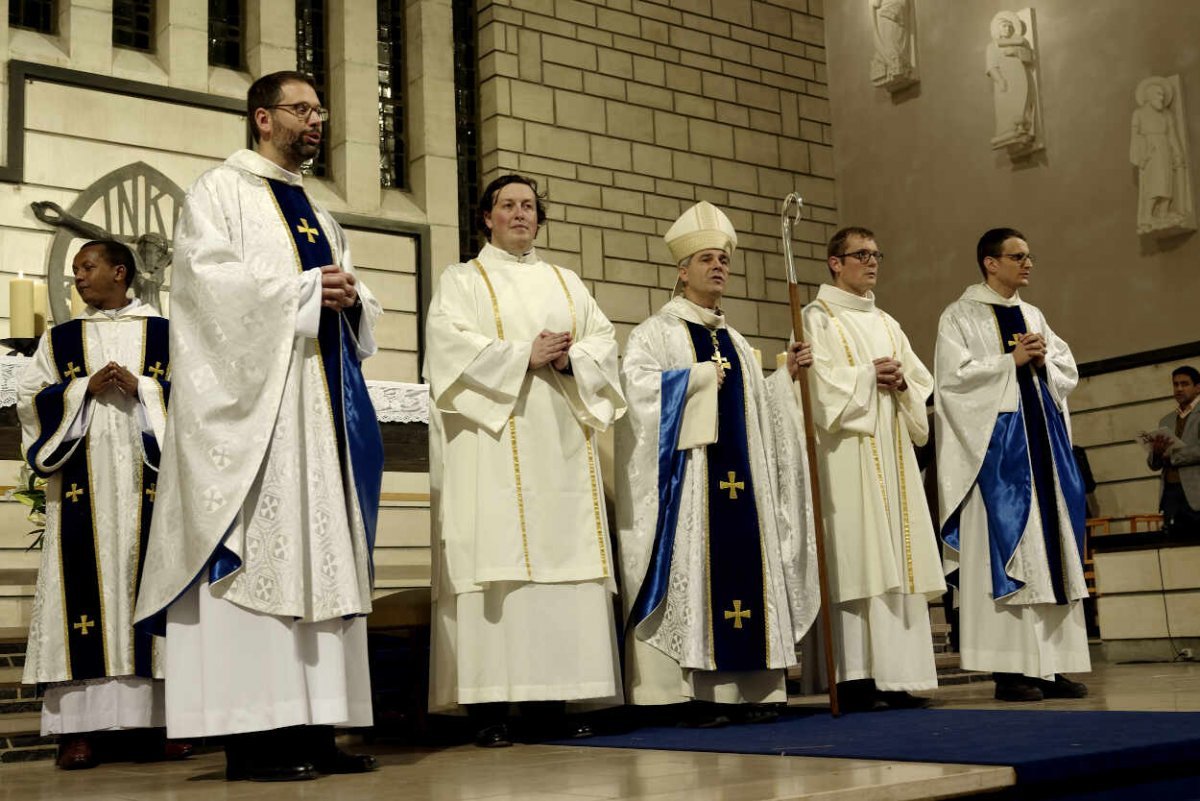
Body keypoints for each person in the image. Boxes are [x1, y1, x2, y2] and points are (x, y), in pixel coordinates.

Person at [132, 71, 384, 780]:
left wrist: (350, 296)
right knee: (264, 556)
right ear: (262, 118)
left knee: (316, 558)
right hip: (256, 422)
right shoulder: (221, 191)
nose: (316, 121)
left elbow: (348, 298)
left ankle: (313, 726)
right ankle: (253, 737)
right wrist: (305, 290)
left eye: (320, 110)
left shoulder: (319, 212)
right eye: (301, 109)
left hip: (318, 413)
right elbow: (205, 291)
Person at [425, 174, 626, 747]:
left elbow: (603, 343)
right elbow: (446, 347)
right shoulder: (462, 279)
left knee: (564, 564)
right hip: (492, 449)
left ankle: (553, 703)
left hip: (560, 447)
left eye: (529, 207)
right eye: (508, 205)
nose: (520, 215)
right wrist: (522, 356)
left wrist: (568, 364)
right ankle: (489, 708)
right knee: (498, 565)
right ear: (485, 217)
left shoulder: (566, 281)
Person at [615, 200, 820, 723]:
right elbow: (636, 395)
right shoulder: (655, 334)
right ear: (682, 271)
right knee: (699, 572)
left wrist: (784, 378)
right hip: (691, 490)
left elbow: (761, 415)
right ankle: (694, 694)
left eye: (724, 260)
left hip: (741, 489)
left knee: (745, 566)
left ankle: (752, 692)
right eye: (706, 259)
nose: (718, 267)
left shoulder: (739, 341)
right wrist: (696, 379)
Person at [18, 240, 186, 769]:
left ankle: (168, 723)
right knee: (82, 601)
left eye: (88, 268)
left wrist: (147, 391)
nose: (80, 280)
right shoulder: (61, 338)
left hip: (149, 487)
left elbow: (197, 395)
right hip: (79, 488)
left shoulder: (165, 332)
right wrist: (80, 391)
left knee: (151, 589)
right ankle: (77, 731)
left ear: (120, 271)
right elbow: (30, 398)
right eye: (75, 272)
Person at [935, 228, 1090, 703]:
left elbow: (1065, 368)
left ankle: (1051, 666)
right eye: (1017, 256)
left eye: (1029, 256)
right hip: (999, 462)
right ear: (989, 262)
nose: (1027, 264)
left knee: (1052, 556)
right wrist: (1010, 361)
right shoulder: (959, 316)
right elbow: (951, 383)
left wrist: (1043, 363)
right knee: (1008, 555)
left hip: (1043, 451)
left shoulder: (1032, 313)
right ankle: (1010, 670)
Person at [800, 227, 943, 712]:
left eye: (876, 254)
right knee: (858, 559)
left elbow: (922, 383)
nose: (872, 262)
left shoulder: (886, 321)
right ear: (834, 263)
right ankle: (858, 677)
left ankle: (899, 676)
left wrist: (901, 383)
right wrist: (866, 376)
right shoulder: (815, 319)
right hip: (848, 456)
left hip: (892, 450)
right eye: (861, 255)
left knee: (897, 559)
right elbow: (814, 389)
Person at [1147, 366, 1200, 536]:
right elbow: (1154, 464)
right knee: (1175, 547)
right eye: (1175, 384)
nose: (1179, 388)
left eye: (1184, 384)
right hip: (1170, 494)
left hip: (1196, 492)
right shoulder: (1167, 420)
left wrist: (1172, 457)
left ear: (1198, 387)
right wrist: (1155, 452)